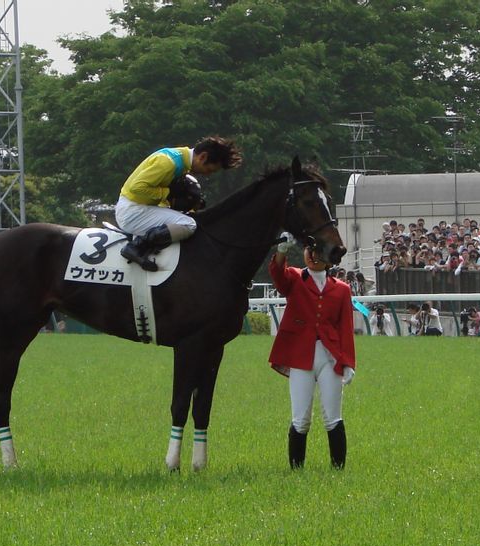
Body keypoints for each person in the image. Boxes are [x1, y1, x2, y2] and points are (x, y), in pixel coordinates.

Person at [268, 240, 356, 470]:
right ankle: (297, 470)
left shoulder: (342, 289)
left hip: (331, 356)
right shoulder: (295, 278)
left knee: (333, 416)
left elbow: (345, 328)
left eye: (318, 252)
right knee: (301, 417)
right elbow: (278, 275)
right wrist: (281, 252)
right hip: (300, 355)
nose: (313, 256)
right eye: (310, 251)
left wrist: (348, 362)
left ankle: (338, 469)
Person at [115, 136, 243, 270]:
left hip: (140, 208)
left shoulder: (180, 159)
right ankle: (135, 247)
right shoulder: (168, 163)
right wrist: (168, 193)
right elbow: (137, 188)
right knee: (188, 224)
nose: (208, 174)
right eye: (210, 170)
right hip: (132, 212)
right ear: (203, 157)